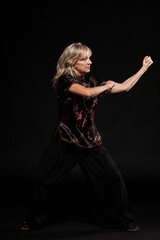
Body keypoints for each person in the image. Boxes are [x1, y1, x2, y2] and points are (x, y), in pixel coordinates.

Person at [20, 43, 153, 232]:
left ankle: (124, 219)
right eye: (84, 59)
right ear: (73, 62)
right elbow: (87, 93)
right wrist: (106, 85)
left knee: (113, 178)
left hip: (90, 140)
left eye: (89, 58)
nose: (89, 62)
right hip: (66, 139)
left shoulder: (92, 80)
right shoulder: (64, 81)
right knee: (42, 178)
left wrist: (144, 68)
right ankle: (33, 220)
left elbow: (124, 88)